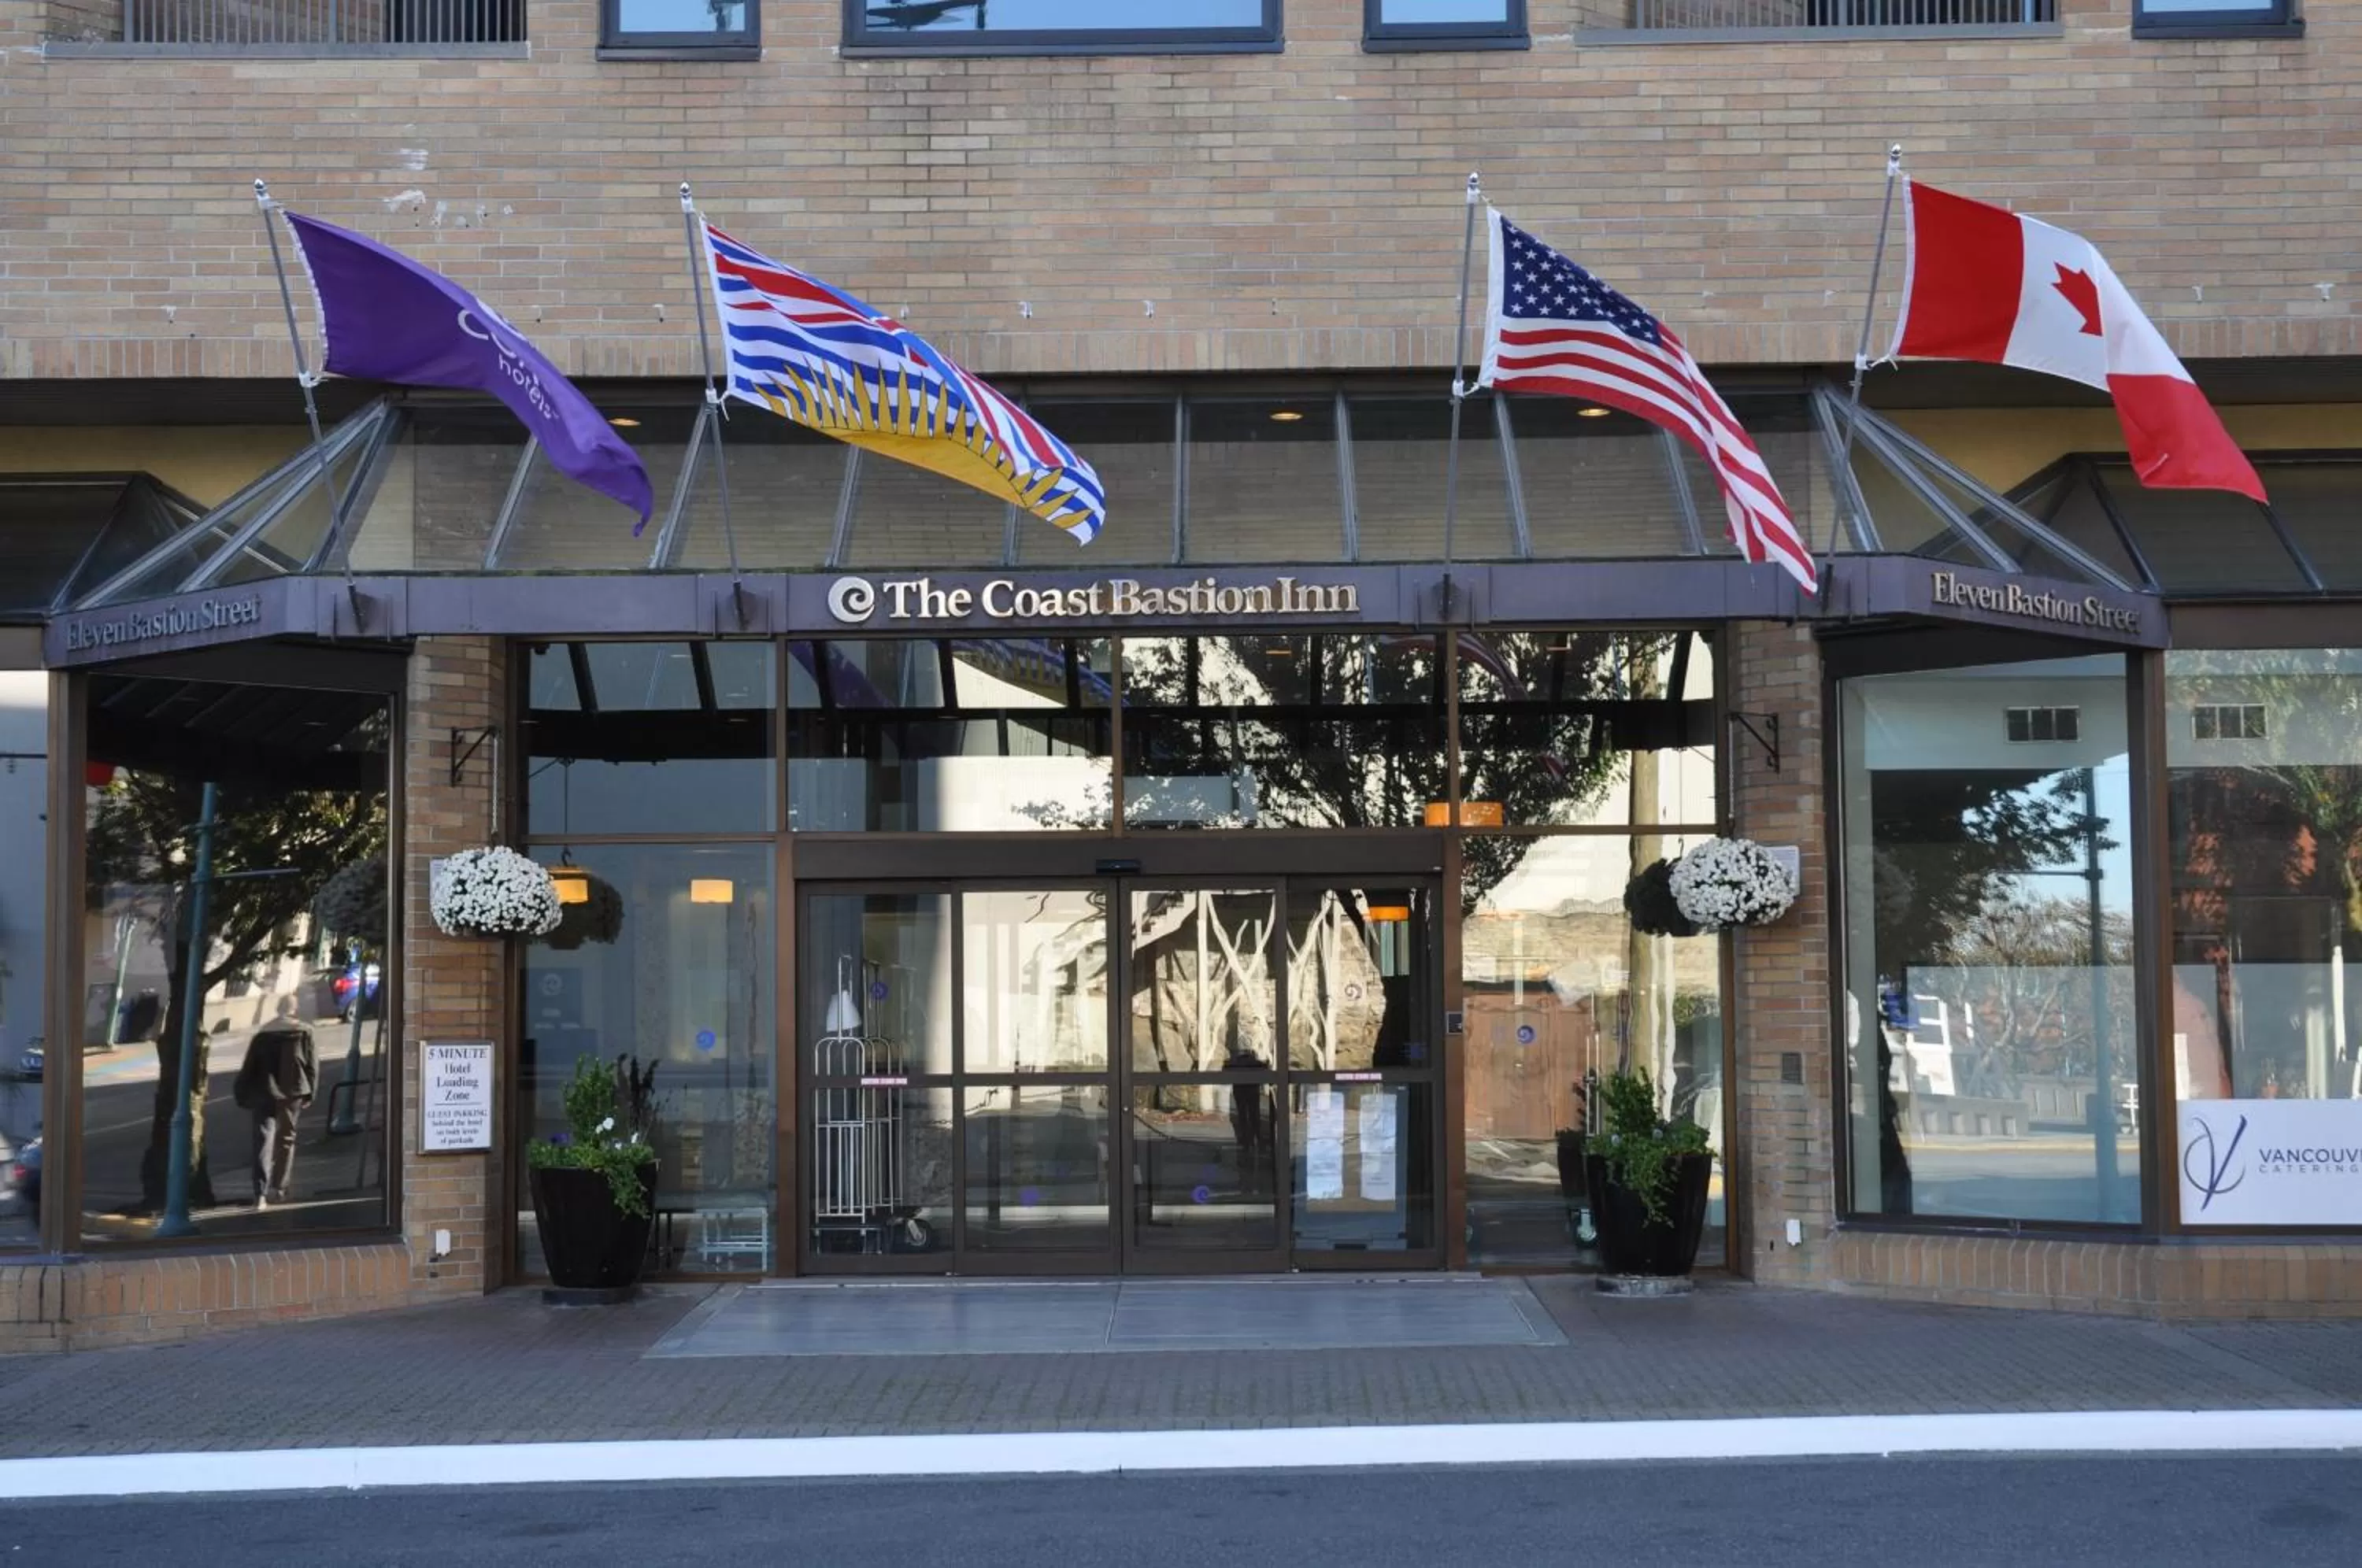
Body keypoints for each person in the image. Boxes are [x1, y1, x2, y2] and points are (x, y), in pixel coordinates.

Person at [234, 1000, 317, 1209]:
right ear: (294, 1010)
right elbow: (312, 1065)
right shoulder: (304, 1032)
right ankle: (279, 1188)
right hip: (294, 1090)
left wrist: (242, 1092)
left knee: (263, 1140)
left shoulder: (263, 1034)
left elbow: (249, 1066)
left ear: (277, 1009)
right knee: (286, 1139)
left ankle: (259, 1193)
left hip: (265, 1090)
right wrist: (311, 1093)